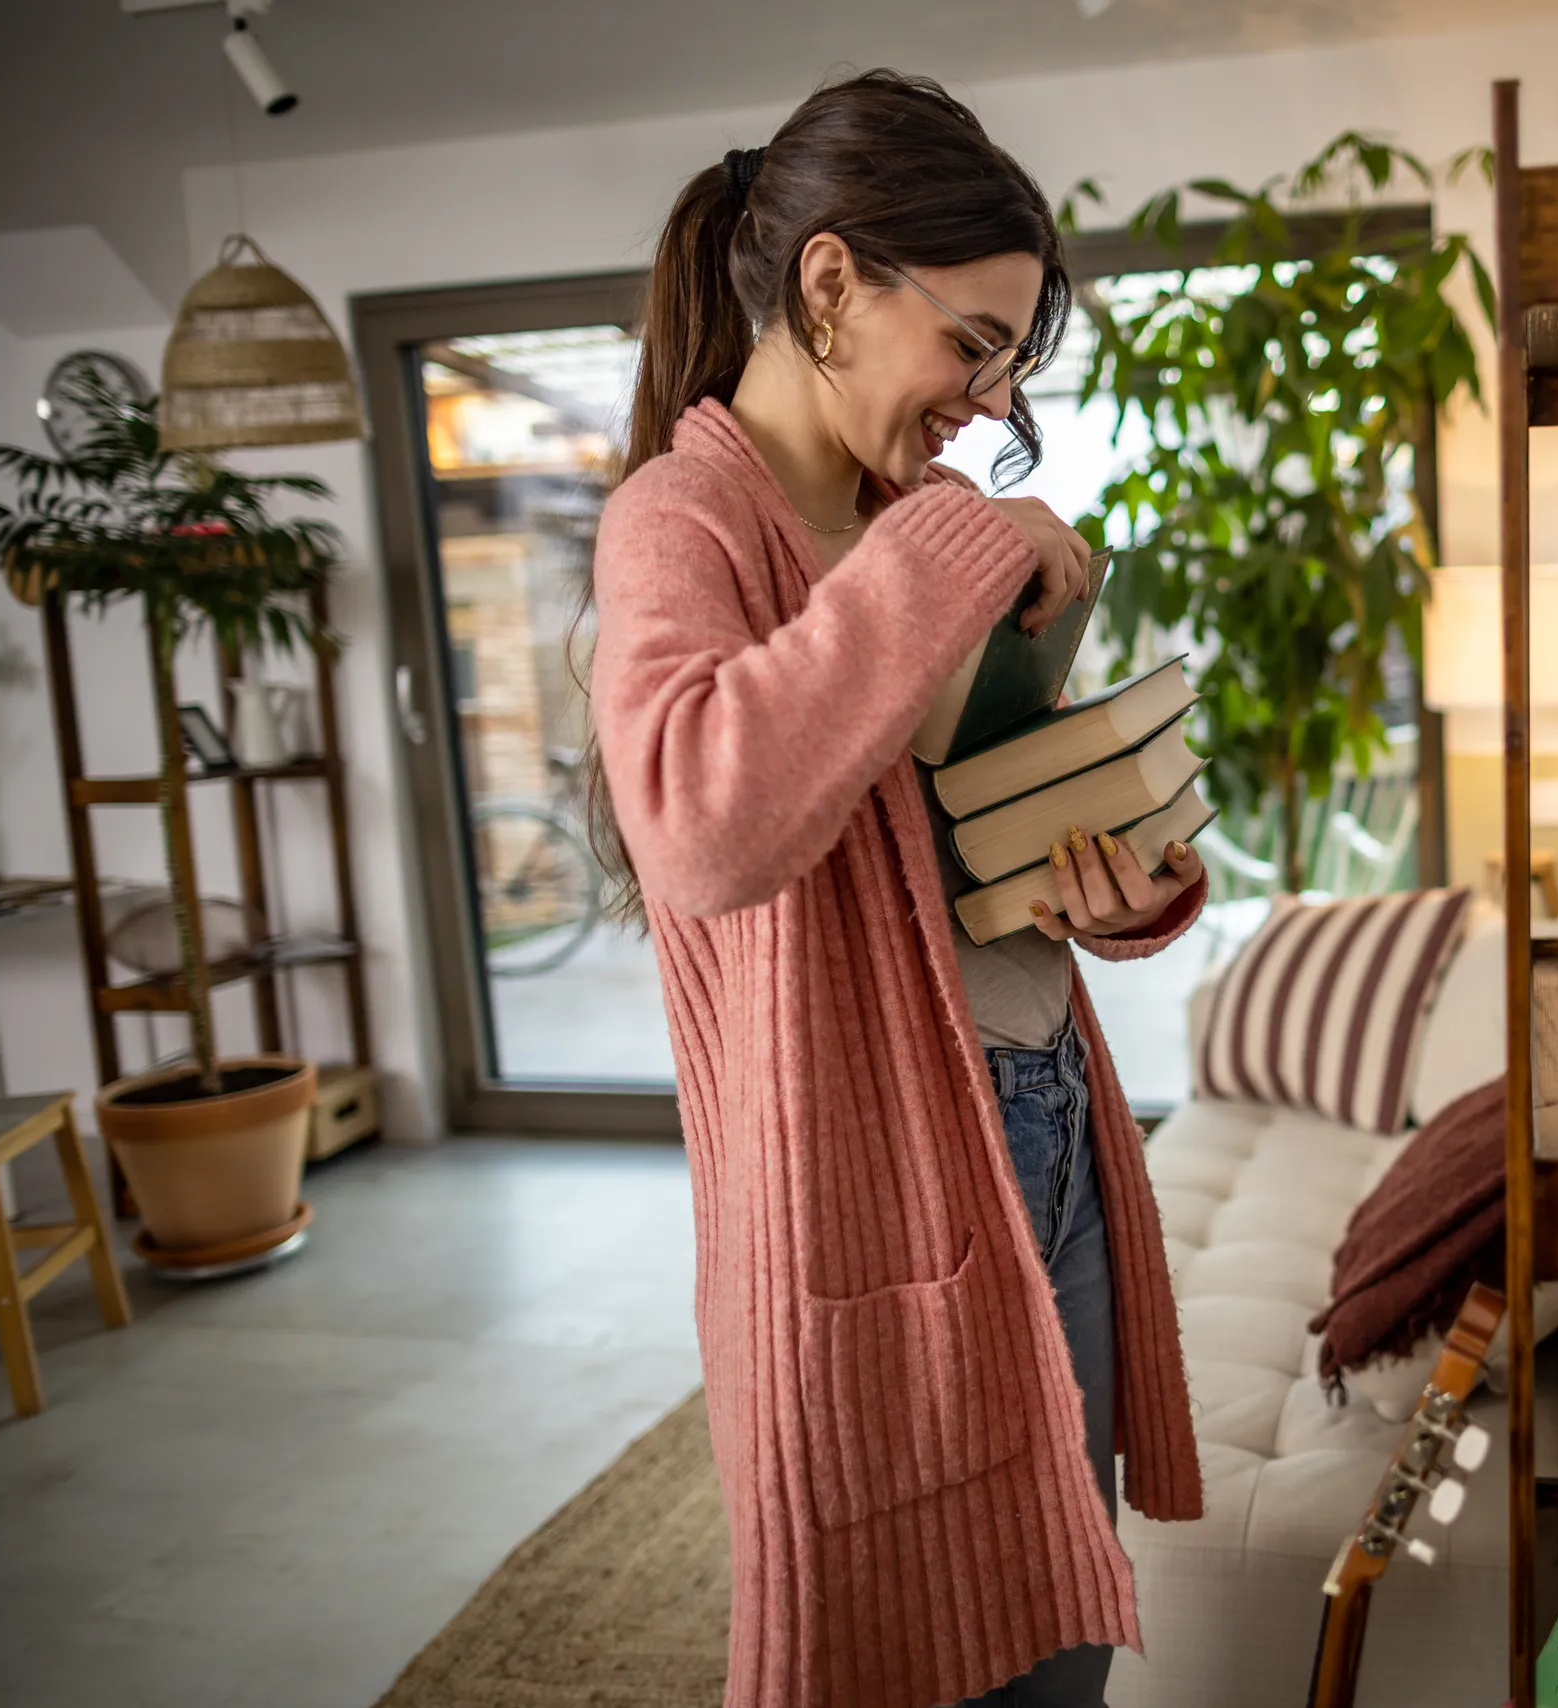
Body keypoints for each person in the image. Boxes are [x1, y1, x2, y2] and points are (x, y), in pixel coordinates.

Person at [583, 70, 1207, 1708]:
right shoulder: (682, 517)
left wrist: (1104, 883)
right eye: (975, 346)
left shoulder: (911, 513)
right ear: (834, 285)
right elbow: (708, 821)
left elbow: (967, 833)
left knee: (1058, 1641)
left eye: (1011, 364)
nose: (992, 404)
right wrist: (945, 551)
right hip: (879, 1199)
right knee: (906, 1657)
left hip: (1049, 1127)